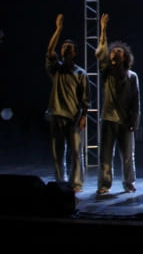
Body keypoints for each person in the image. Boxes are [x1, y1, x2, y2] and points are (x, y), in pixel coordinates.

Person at [96, 13, 140, 195]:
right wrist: (103, 30)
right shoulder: (107, 72)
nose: (115, 53)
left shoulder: (132, 76)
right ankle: (104, 184)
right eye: (113, 51)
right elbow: (100, 55)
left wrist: (134, 121)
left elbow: (136, 101)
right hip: (108, 119)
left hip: (125, 120)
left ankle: (129, 183)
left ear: (125, 57)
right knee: (106, 155)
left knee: (128, 156)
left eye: (119, 51)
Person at [45, 13, 88, 193]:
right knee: (57, 153)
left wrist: (83, 116)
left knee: (76, 152)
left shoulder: (80, 73)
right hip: (56, 114)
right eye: (63, 47)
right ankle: (60, 182)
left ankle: (76, 183)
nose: (65, 49)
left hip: (73, 117)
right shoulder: (56, 69)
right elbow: (50, 51)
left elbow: (85, 99)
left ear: (74, 53)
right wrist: (58, 29)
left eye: (69, 47)